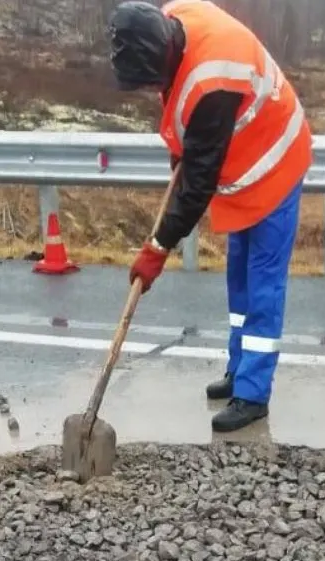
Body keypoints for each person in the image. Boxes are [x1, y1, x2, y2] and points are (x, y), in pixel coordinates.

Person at [107, 0, 313, 433]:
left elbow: (198, 185)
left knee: (262, 284)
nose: (149, 90)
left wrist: (158, 247)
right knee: (238, 277)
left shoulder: (214, 80)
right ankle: (240, 370)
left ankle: (254, 395)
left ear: (162, 53)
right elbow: (183, 116)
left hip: (275, 162)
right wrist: (180, 147)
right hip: (243, 168)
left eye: (149, 81)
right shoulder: (176, 15)